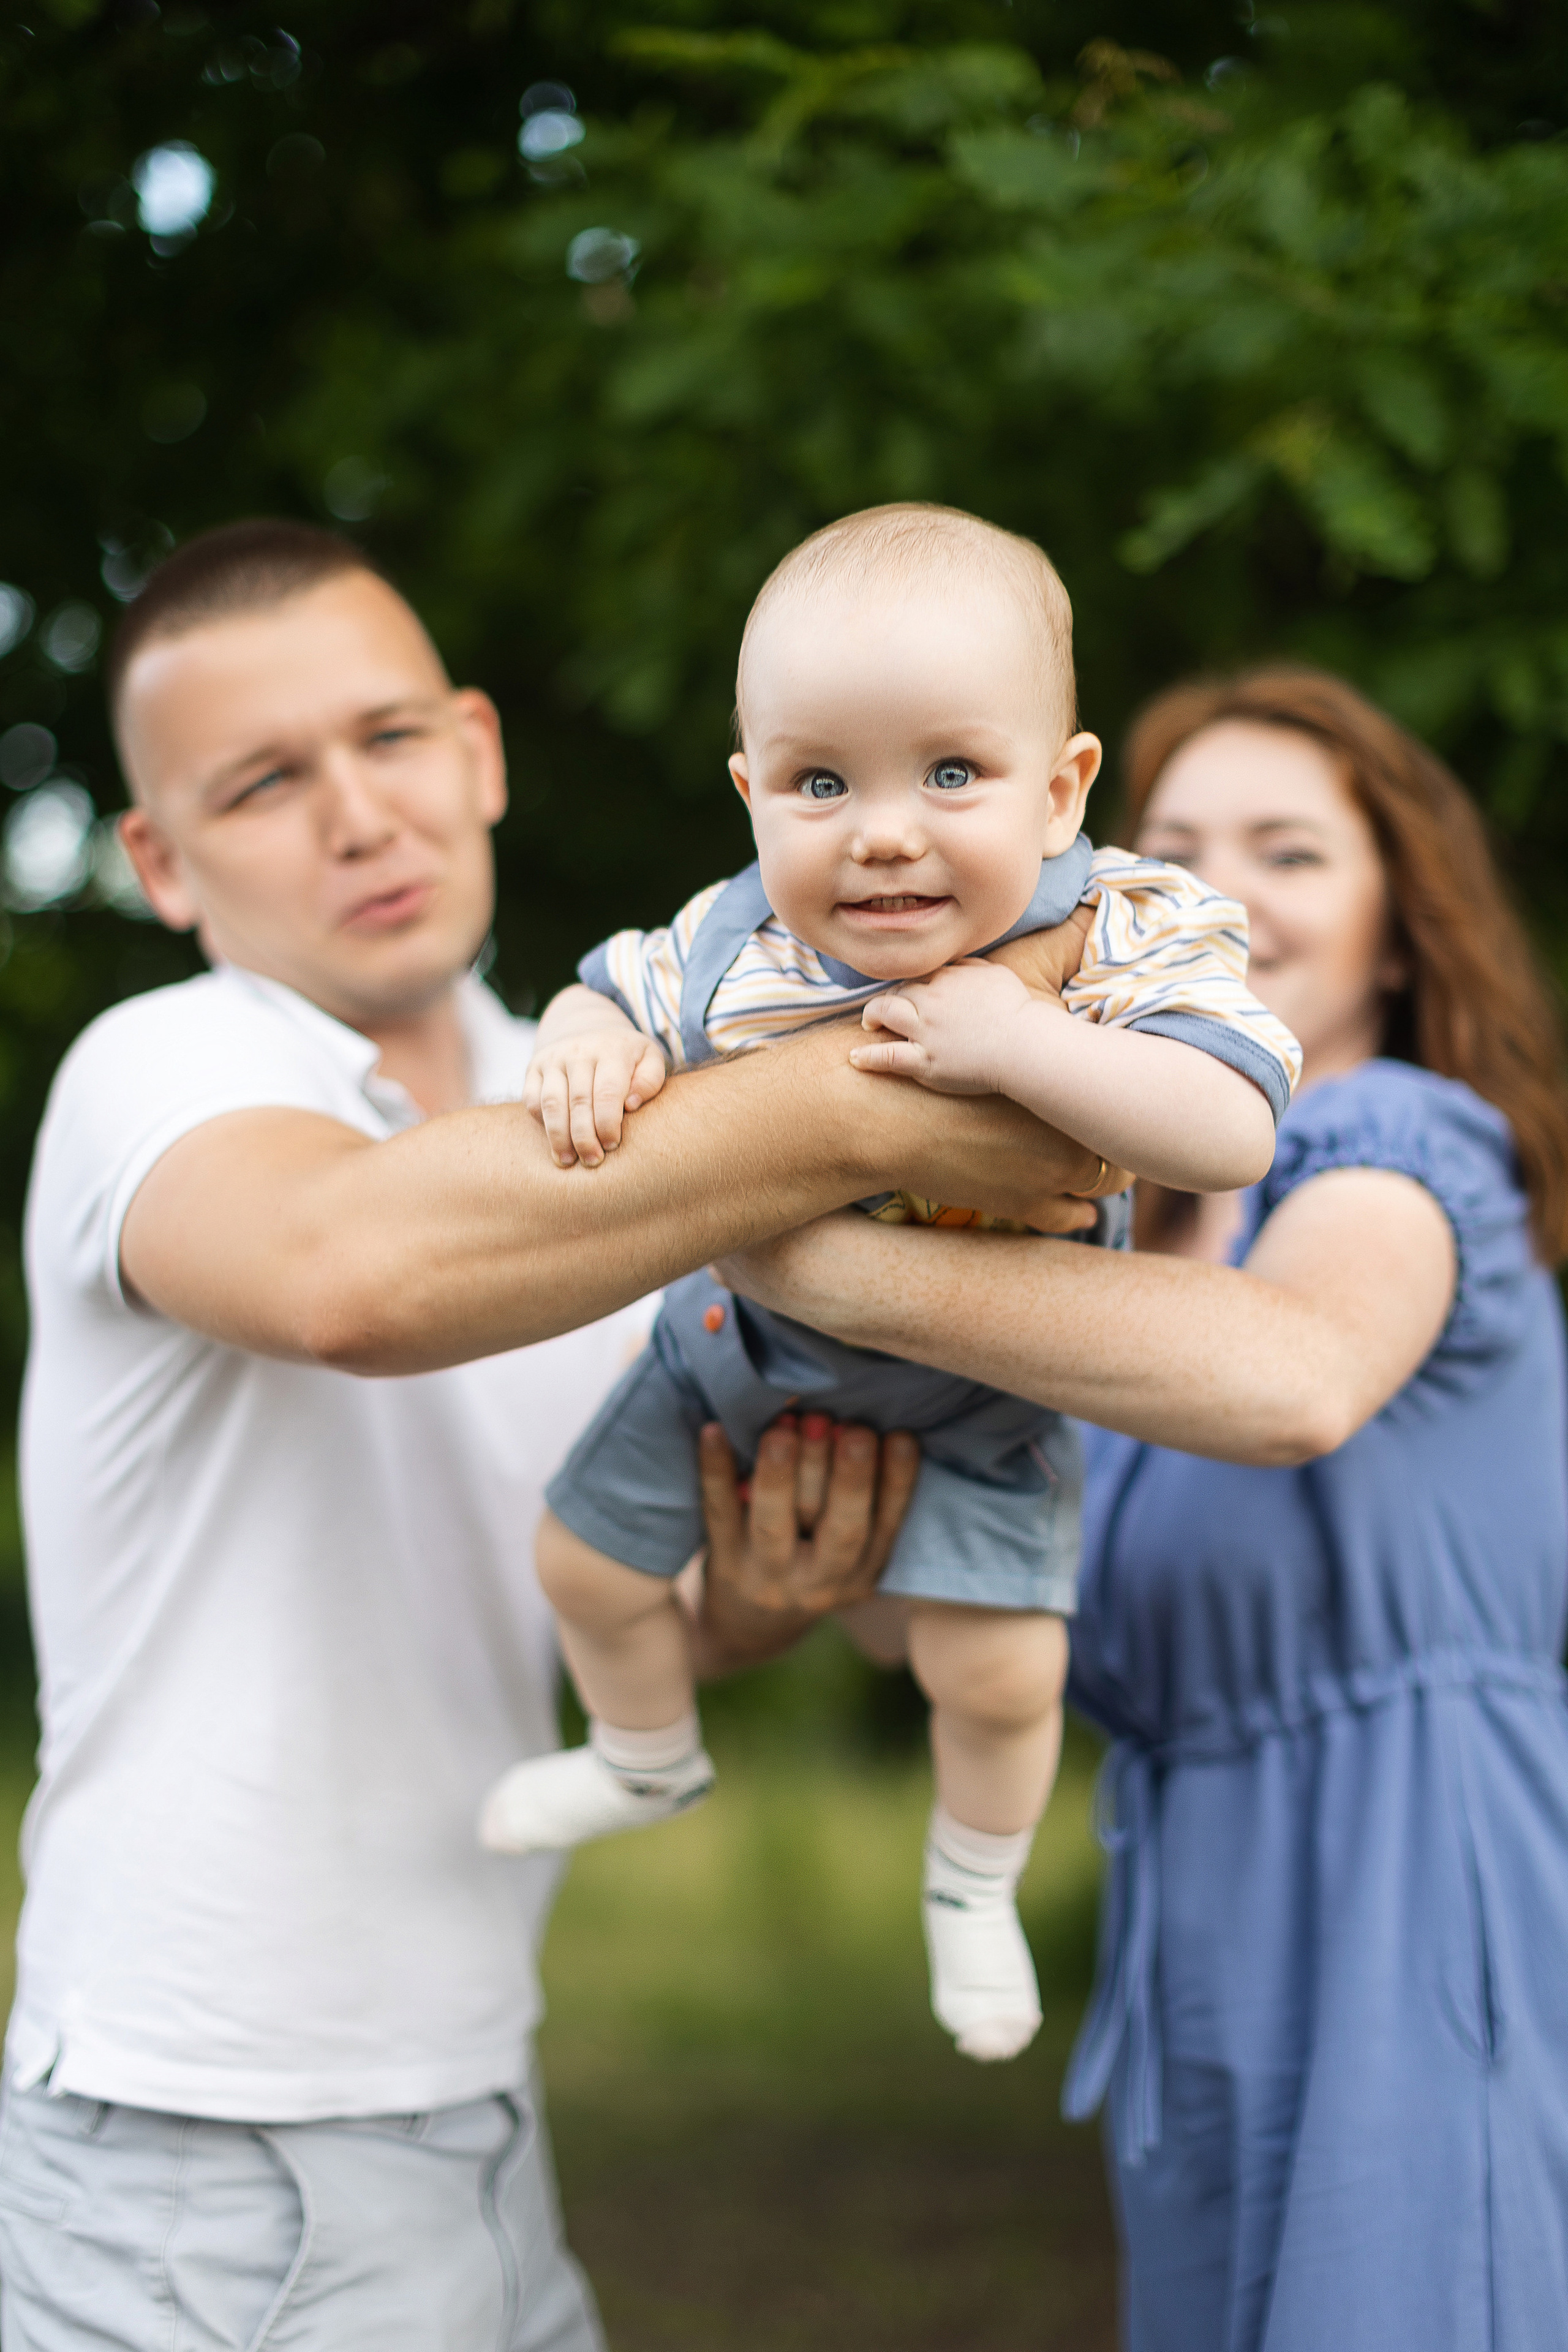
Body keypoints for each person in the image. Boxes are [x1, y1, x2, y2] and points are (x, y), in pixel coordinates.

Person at [0, 519, 1123, 2352]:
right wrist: (906, 1078)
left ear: (481, 751)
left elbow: (614, 1618)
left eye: (387, 740)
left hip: (473, 2096)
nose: (357, 814)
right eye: (265, 782)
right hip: (200, 2138)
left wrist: (754, 1613)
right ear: (159, 859)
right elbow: (343, 1273)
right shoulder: (163, 1062)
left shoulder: (610, 1121)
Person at [707, 665, 1568, 2349]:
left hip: (1420, 1883)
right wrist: (809, 1558)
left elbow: (1298, 1375)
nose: (1225, 890)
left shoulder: (1391, 1136)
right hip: (1201, 1941)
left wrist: (804, 1249)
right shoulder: (1100, 1261)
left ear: (1400, 932)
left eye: (1292, 850)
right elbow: (957, 1611)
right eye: (1171, 848)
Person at [478, 505, 1298, 2070]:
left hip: (981, 1392)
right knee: (580, 1567)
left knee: (999, 1673)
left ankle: (969, 1882)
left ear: (1060, 789)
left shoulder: (1127, 928)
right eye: (818, 782)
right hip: (725, 1359)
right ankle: (643, 1753)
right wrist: (585, 1042)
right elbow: (599, 989)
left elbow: (1229, 1128)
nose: (881, 831)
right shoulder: (727, 942)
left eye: (948, 773)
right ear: (749, 796)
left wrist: (1022, 1043)